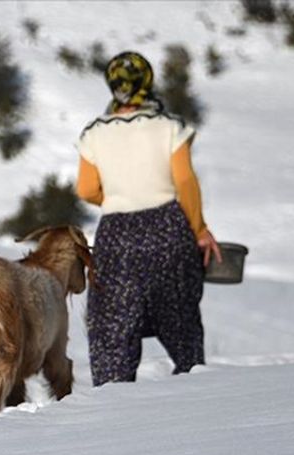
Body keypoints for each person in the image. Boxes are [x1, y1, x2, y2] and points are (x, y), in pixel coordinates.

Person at [75, 51, 223, 387]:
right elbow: (184, 181)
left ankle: (113, 393)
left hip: (117, 235)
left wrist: (116, 197)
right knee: (180, 314)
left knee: (113, 321)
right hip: (167, 228)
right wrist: (200, 230)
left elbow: (86, 189)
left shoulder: (93, 134)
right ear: (147, 80)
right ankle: (191, 382)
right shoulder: (169, 127)